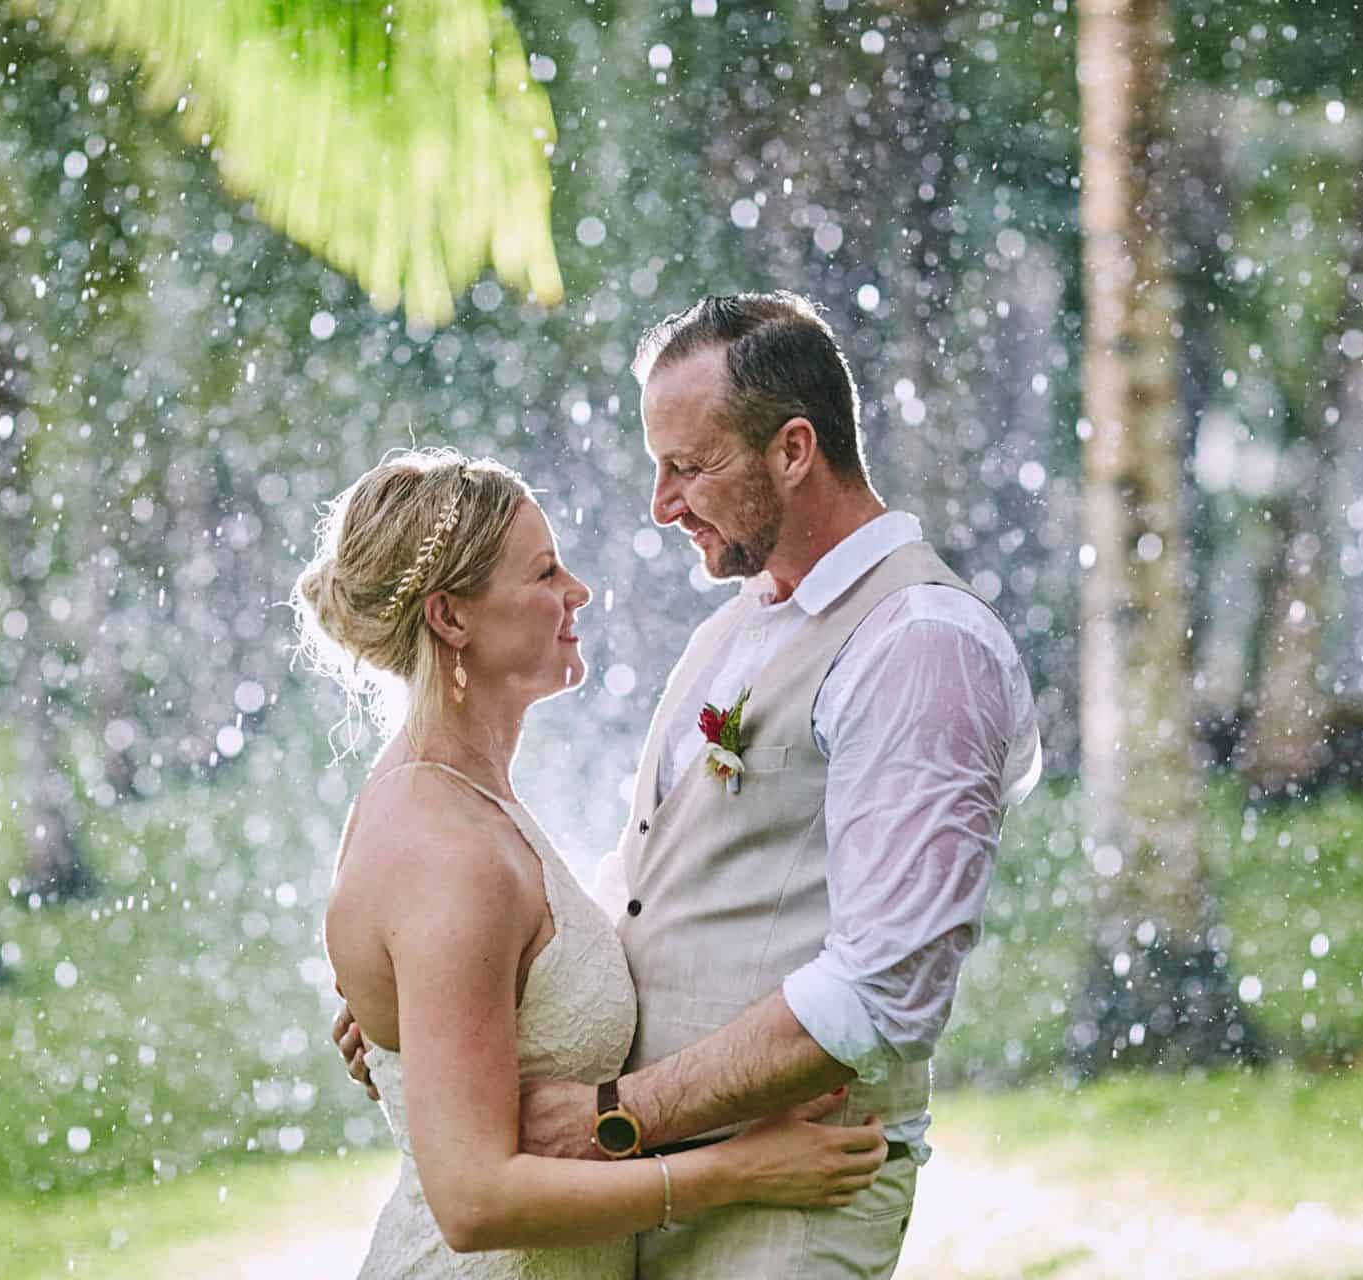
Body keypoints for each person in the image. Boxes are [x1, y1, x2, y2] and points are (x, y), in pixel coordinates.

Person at [340, 294, 1042, 1277]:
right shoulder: (740, 624)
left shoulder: (919, 646)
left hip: (789, 1194)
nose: (661, 504)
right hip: (649, 1196)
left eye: (690, 465)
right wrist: (450, 990)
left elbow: (886, 987)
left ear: (794, 450)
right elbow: (647, 881)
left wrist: (617, 1118)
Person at [295, 449, 891, 1279]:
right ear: (450, 618)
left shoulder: (472, 802)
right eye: (543, 573)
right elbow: (474, 1204)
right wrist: (734, 1171)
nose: (577, 590)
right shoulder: (442, 844)